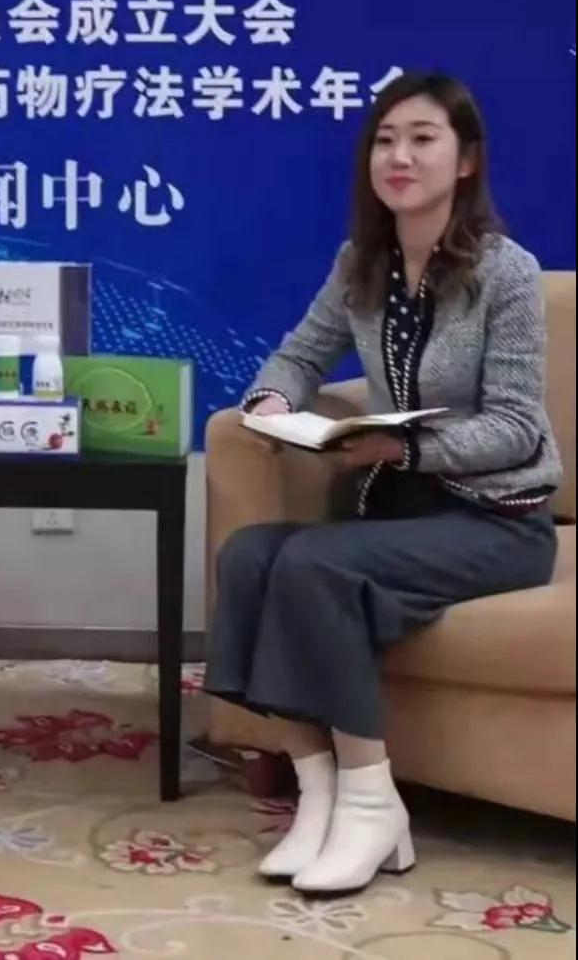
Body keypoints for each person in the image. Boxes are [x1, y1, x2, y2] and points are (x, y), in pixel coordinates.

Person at [205, 71, 561, 896]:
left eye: (423, 139)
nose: (399, 156)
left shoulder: (507, 273)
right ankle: (319, 790)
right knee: (251, 554)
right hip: (394, 512)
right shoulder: (360, 263)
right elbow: (299, 353)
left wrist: (403, 449)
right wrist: (272, 401)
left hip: (495, 522)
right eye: (386, 140)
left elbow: (517, 426)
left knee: (313, 565)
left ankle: (373, 802)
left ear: (465, 160)